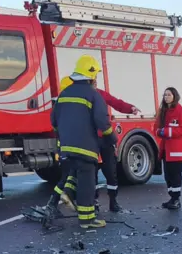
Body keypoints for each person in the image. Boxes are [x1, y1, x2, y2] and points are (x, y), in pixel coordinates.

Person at [58, 74, 141, 213]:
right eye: (93, 82)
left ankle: (113, 202)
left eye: (96, 82)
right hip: (91, 140)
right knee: (92, 173)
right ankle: (93, 201)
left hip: (104, 140)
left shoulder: (100, 94)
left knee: (110, 172)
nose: (95, 84)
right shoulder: (84, 96)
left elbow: (116, 102)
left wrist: (130, 108)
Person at [48, 55, 110, 230]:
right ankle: (87, 220)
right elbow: (102, 122)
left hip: (67, 148)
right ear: (91, 75)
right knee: (87, 184)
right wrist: (111, 138)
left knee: (73, 175)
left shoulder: (64, 94)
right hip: (86, 148)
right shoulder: (93, 94)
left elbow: (53, 120)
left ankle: (68, 196)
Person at [156, 87, 182, 210]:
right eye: (165, 95)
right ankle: (172, 198)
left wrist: (165, 131)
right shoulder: (164, 111)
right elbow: (156, 127)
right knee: (168, 176)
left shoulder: (180, 112)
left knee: (175, 175)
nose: (166, 97)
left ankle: (176, 199)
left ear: (174, 96)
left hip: (177, 151)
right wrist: (158, 131)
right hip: (167, 150)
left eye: (169, 95)